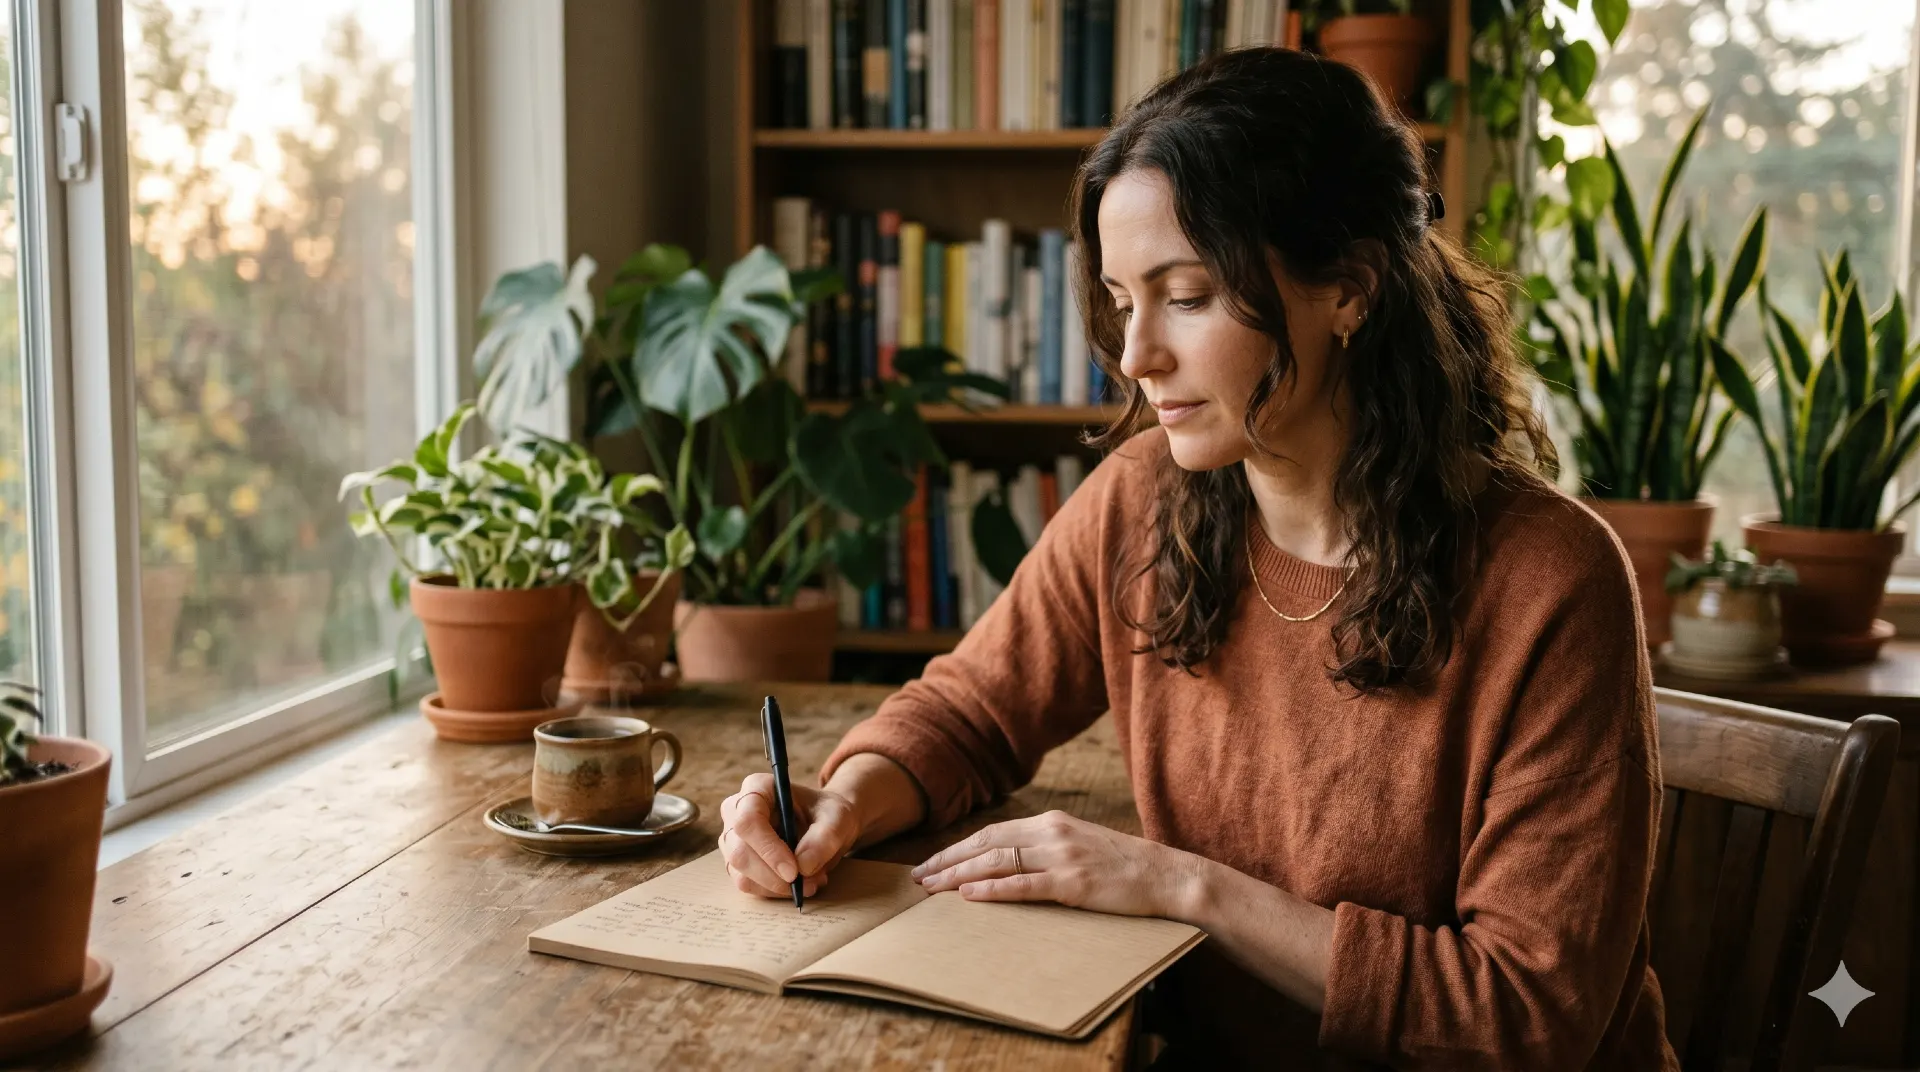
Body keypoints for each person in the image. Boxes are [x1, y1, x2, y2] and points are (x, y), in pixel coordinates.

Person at [719, 47, 1676, 1070]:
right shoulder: (1144, 499)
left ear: (1348, 289)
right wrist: (845, 801)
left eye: (1185, 295)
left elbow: (1526, 1016)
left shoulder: (1550, 580)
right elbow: (972, 709)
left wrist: (1181, 885)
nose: (1135, 357)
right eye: (1126, 301)